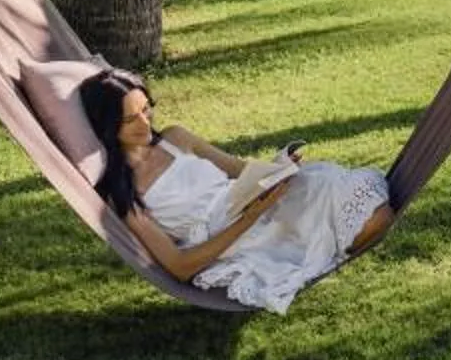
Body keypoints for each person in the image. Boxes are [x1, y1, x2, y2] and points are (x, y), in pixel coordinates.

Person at [75, 74, 395, 314]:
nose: (145, 124)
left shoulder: (176, 138)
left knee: (358, 201)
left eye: (147, 110)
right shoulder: (123, 193)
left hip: (252, 197)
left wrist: (278, 168)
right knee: (372, 220)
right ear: (107, 125)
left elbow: (239, 169)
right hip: (234, 237)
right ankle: (325, 246)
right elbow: (180, 266)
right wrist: (250, 217)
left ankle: (327, 242)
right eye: (130, 119)